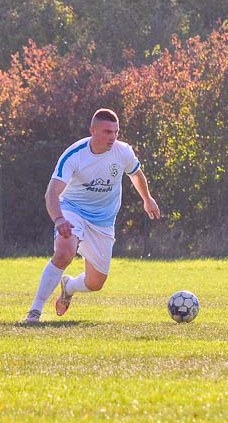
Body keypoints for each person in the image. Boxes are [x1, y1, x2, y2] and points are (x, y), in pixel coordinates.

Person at [25, 108, 160, 323]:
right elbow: (52, 192)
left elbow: (136, 174)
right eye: (107, 132)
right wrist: (59, 219)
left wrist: (147, 199)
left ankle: (69, 286)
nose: (112, 137)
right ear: (93, 131)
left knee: (96, 283)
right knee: (64, 253)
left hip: (103, 221)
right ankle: (34, 312)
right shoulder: (74, 155)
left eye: (115, 132)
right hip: (73, 210)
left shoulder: (122, 151)